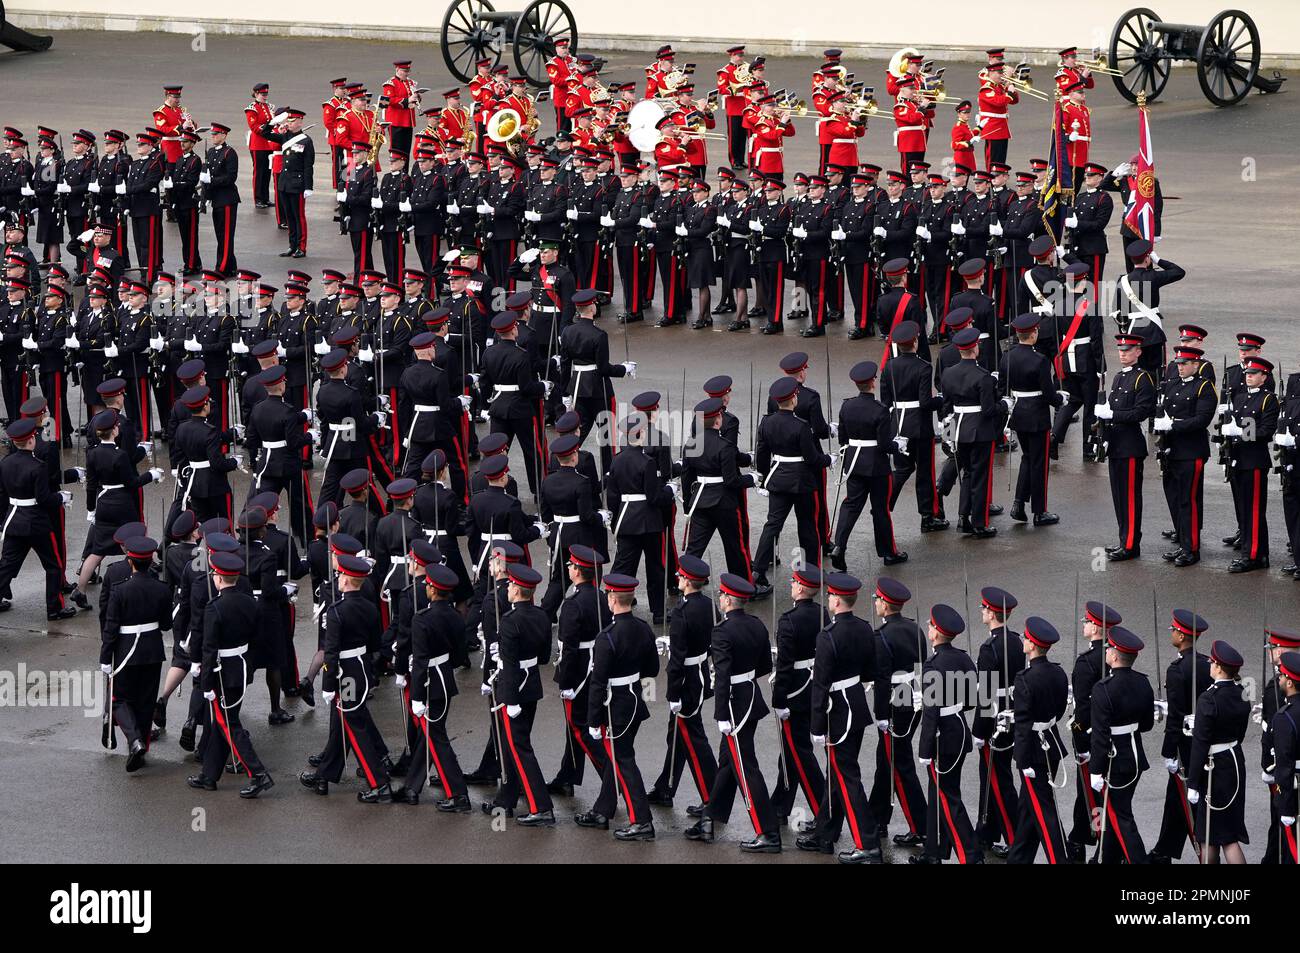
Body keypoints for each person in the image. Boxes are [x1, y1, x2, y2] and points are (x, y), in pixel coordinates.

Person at [684, 573, 781, 852]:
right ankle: (708, 819)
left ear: (727, 600)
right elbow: (764, 666)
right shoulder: (756, 624)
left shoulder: (722, 631)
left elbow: (723, 675)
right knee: (727, 764)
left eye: (721, 597)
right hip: (751, 694)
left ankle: (768, 832)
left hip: (735, 704)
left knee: (745, 767)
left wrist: (721, 714)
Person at [300, 553, 392, 801]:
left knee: (356, 727)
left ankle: (380, 783)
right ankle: (324, 776)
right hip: (361, 667)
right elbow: (375, 644)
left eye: (341, 575)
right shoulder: (370, 608)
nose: (338, 578)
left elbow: (331, 653)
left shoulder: (337, 611)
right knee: (345, 725)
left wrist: (328, 685)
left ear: (347, 581)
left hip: (346, 675)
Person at [576, 572, 660, 840]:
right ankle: (603, 810)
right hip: (635, 700)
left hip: (616, 706)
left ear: (612, 599)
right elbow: (653, 669)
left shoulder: (607, 637)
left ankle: (642, 821)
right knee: (619, 757)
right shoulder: (643, 628)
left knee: (624, 761)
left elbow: (597, 684)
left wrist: (592, 721)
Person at [188, 551, 275, 798]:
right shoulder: (250, 602)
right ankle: (209, 775)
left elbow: (209, 648)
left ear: (218, 578)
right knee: (222, 723)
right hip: (241, 667)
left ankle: (258, 774)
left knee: (229, 724)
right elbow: (258, 637)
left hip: (222, 673)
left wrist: (205, 682)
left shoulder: (214, 607)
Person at [484, 563, 556, 826]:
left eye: (511, 586)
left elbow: (511, 665)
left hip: (513, 688)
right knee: (515, 744)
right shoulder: (541, 616)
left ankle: (541, 807)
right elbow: (545, 657)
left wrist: (510, 699)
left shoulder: (510, 620)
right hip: (532, 684)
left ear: (516, 589)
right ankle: (506, 800)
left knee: (519, 747)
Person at [911, 603, 983, 864]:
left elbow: (931, 712)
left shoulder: (933, 665)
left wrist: (924, 749)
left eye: (930, 626)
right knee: (938, 792)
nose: (928, 628)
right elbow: (974, 698)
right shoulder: (963, 658)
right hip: (959, 727)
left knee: (947, 796)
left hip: (943, 737)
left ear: (936, 632)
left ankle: (971, 854)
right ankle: (934, 851)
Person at [100, 535, 172, 772]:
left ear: (130, 561)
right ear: (150, 560)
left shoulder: (120, 591)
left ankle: (134, 741)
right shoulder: (162, 589)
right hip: (152, 651)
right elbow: (165, 625)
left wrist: (105, 658)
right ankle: (141, 748)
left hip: (125, 652)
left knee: (119, 699)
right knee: (145, 701)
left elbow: (110, 627)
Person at [867, 577, 928, 848]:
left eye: (878, 600)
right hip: (914, 697)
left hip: (894, 702)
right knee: (886, 759)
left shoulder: (881, 636)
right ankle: (876, 817)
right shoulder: (915, 630)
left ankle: (922, 825)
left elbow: (881, 679)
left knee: (899, 764)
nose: (876, 604)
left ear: (885, 604)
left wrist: (881, 714)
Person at [1149, 608, 1212, 864]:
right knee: (1175, 795)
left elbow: (1175, 717)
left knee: (1187, 793)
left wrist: (1167, 751)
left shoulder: (1177, 670)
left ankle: (1203, 852)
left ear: (1183, 636)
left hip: (1184, 742)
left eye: (1174, 630)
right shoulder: (1207, 663)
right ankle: (1165, 849)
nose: (1172, 633)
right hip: (1203, 738)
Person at [1089, 626, 1156, 864]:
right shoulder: (1142, 683)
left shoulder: (1103, 689)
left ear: (1115, 656)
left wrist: (1095, 770)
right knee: (1113, 811)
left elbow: (1100, 735)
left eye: (1109, 648)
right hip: (1135, 755)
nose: (1106, 650)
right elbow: (1147, 724)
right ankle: (1107, 858)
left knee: (1120, 815)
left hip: (1114, 761)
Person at [1007, 616, 1070, 864]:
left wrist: (1022, 760)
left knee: (1044, 813)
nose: (1022, 639)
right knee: (1028, 810)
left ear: (1032, 645)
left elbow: (1022, 724)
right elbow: (1060, 709)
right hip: (1051, 744)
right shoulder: (1058, 672)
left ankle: (1059, 859)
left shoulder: (1024, 678)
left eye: (1025, 638)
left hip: (1033, 751)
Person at [832, 360, 906, 568]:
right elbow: (884, 445)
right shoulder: (880, 409)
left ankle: (839, 545)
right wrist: (897, 445)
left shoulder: (847, 406)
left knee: (851, 506)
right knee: (880, 510)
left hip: (854, 463)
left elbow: (843, 439)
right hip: (877, 466)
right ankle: (888, 552)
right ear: (873, 382)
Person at [1066, 600, 1121, 862]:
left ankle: (1101, 846)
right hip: (1114, 735)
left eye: (1087, 622)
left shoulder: (1086, 662)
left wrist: (1078, 737)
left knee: (1093, 796)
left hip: (1090, 737)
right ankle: (1079, 838)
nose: (1084, 625)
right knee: (1095, 795)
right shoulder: (1115, 655)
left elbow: (1082, 710)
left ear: (1097, 627)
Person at [1187, 640, 1250, 864]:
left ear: (1219, 668)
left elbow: (1200, 744)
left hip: (1215, 769)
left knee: (1218, 835)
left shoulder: (1208, 699)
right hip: (1234, 761)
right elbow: (1240, 733)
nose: (1210, 665)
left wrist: (1192, 783)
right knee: (1219, 831)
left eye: (1212, 662)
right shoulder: (1241, 694)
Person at [1095, 333, 1156, 560]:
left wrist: (1112, 414)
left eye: (1128, 350)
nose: (1123, 354)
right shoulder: (1119, 377)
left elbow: (1141, 412)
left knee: (1130, 498)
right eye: (1121, 350)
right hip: (1116, 445)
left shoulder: (1143, 379)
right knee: (1119, 497)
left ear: (1138, 351)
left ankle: (1130, 545)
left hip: (1131, 446)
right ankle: (1124, 539)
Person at [1268, 650, 1299, 864]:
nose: (1279, 678)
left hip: (1295, 784)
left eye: (1282, 675)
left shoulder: (1284, 717)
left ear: (1289, 682)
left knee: (1292, 849)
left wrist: (1286, 807)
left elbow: (1285, 766)